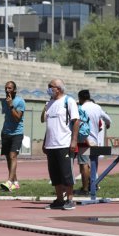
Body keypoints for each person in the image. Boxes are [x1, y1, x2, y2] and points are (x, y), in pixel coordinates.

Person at [42, 78, 79, 210]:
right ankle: (59, 199)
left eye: (50, 86)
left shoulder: (69, 101)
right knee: (54, 174)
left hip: (64, 143)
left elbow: (76, 121)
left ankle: (70, 199)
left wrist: (74, 140)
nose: (48, 89)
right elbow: (49, 125)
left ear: (58, 88)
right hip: (51, 144)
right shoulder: (50, 103)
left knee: (66, 173)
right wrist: (45, 142)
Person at [76, 90, 111, 195]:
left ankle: (85, 188)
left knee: (84, 165)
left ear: (80, 98)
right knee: (93, 165)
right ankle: (93, 185)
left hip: (84, 140)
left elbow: (80, 124)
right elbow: (107, 119)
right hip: (95, 141)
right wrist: (108, 124)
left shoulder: (81, 108)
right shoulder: (97, 107)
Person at [0, 81, 25, 191]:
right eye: (6, 88)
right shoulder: (3, 101)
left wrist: (11, 106)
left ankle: (9, 182)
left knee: (13, 156)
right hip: (5, 133)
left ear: (14, 90)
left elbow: (17, 118)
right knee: (8, 159)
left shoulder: (20, 101)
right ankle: (15, 182)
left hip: (17, 133)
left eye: (9, 88)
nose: (7, 90)